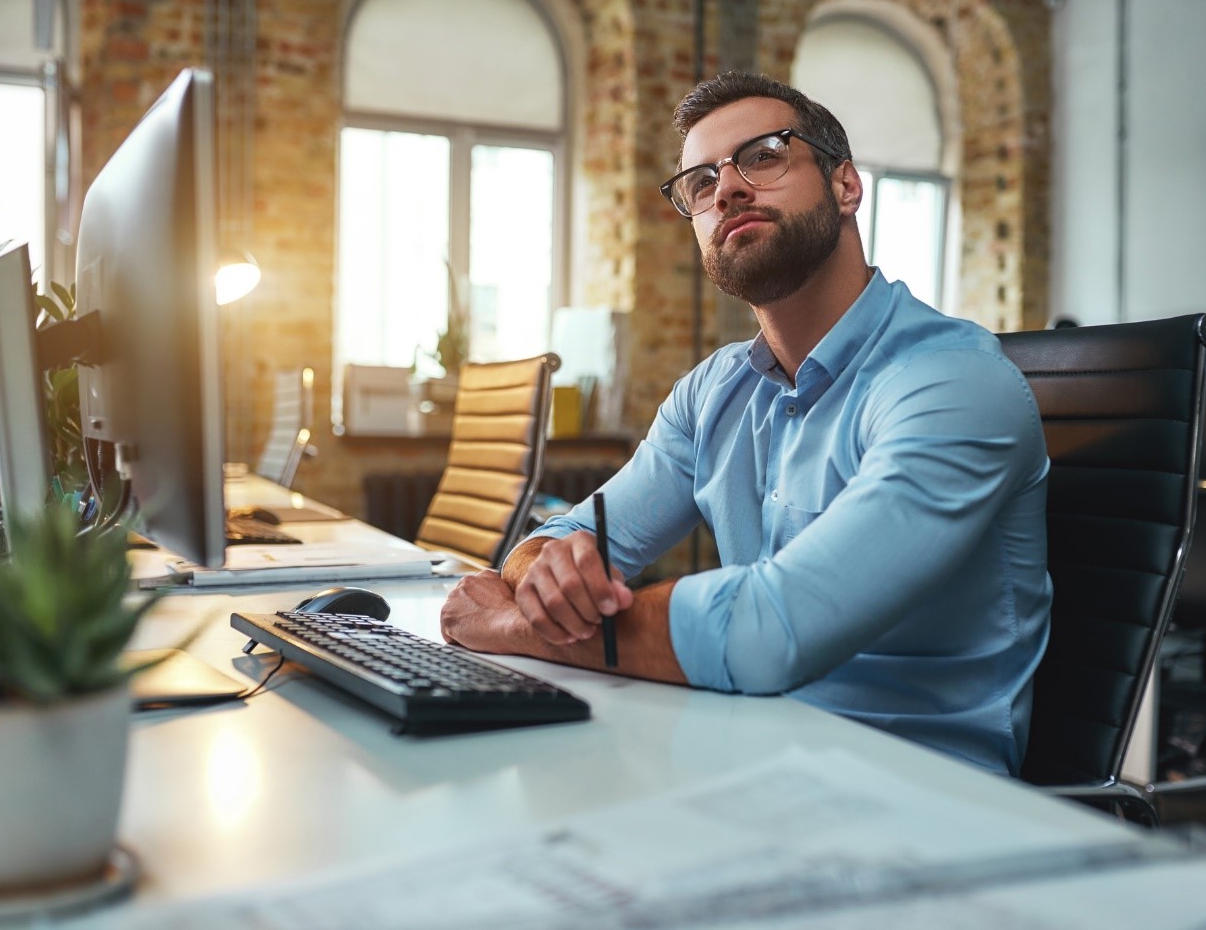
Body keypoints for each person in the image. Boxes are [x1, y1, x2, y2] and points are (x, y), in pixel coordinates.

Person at [441, 71, 1052, 776]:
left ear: (846, 186)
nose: (726, 189)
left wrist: (515, 626)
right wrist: (543, 573)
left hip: (917, 798)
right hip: (747, 754)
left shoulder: (952, 380)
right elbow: (566, 534)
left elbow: (771, 630)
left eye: (763, 155)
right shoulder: (715, 392)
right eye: (701, 182)